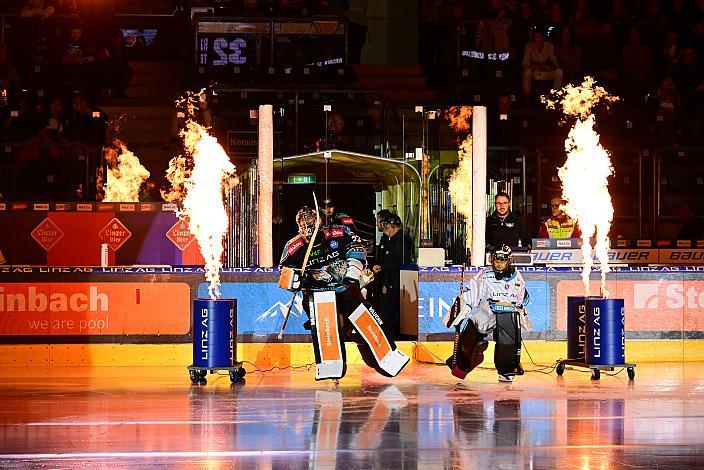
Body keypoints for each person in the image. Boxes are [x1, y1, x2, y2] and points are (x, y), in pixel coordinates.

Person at [278, 205, 409, 381]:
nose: (310, 232)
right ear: (300, 228)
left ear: (319, 222)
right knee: (328, 326)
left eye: (313, 226)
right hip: (318, 295)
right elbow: (284, 272)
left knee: (363, 318)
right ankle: (330, 364)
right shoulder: (293, 246)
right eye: (306, 229)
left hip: (345, 288)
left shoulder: (338, 231)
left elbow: (357, 246)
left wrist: (353, 267)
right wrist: (294, 279)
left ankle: (387, 355)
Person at [444, 245, 531, 383]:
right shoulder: (485, 275)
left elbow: (522, 301)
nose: (499, 264)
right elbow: (470, 293)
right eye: (497, 260)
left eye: (503, 261)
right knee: (472, 335)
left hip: (507, 315)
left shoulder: (518, 278)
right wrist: (460, 309)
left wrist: (522, 315)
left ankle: (507, 368)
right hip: (486, 311)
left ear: (509, 261)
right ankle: (463, 364)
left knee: (509, 337)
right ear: (492, 260)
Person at [378, 213, 413, 340]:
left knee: (392, 311)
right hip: (394, 280)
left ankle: (394, 336)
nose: (384, 229)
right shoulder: (392, 240)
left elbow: (398, 263)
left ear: (391, 226)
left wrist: (387, 284)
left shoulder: (400, 242)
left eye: (386, 226)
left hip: (395, 281)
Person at [521, 29, 563, 99]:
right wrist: (538, 67)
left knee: (559, 72)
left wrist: (552, 67)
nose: (537, 39)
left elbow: (553, 59)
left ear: (543, 38)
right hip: (535, 72)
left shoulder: (549, 46)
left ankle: (555, 95)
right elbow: (525, 63)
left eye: (538, 37)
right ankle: (527, 97)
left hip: (545, 72)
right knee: (527, 72)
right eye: (535, 37)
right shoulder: (529, 46)